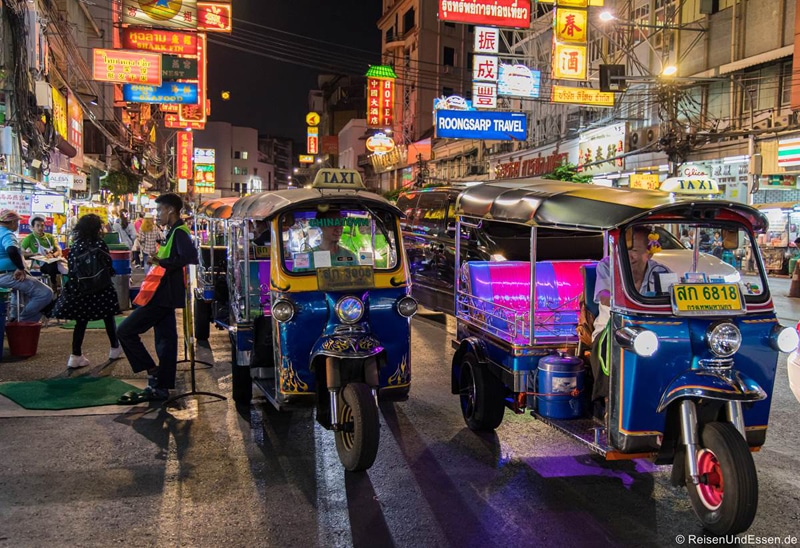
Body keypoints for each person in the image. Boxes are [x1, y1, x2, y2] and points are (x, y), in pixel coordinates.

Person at [117, 194, 198, 403]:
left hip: (162, 296)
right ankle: (161, 386)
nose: (157, 214)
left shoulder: (179, 231)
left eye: (160, 210)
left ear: (171, 210)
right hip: (163, 295)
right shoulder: (173, 231)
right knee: (166, 342)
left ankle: (154, 372)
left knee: (125, 331)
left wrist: (162, 261)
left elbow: (189, 257)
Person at [590, 226, 671, 418]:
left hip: (652, 332)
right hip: (613, 328)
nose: (629, 256)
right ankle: (609, 402)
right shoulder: (607, 265)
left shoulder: (661, 271)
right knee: (608, 347)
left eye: (635, 250)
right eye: (625, 250)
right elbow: (603, 295)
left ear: (649, 254)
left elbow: (672, 296)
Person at [52, 214, 122, 369]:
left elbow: (71, 268)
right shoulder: (99, 244)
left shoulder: (75, 246)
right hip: (101, 288)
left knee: (80, 321)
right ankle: (114, 348)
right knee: (108, 317)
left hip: (81, 289)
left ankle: (75, 356)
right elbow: (108, 264)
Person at [0, 210, 54, 322]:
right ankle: (23, 321)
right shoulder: (7, 234)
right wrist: (20, 268)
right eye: (17, 222)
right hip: (7, 274)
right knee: (45, 293)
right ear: (13, 222)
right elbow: (11, 250)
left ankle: (14, 317)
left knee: (20, 293)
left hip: (6, 274)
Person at [20, 216, 64, 290]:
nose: (40, 228)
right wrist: (33, 254)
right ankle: (54, 284)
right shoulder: (29, 238)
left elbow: (58, 250)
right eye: (38, 225)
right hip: (39, 265)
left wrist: (53, 255)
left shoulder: (50, 237)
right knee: (51, 267)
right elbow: (21, 252)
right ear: (33, 227)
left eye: (42, 225)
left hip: (53, 261)